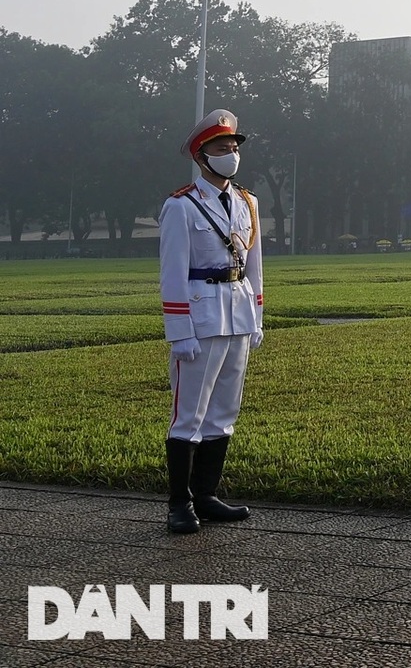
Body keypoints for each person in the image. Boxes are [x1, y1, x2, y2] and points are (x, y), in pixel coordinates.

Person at [159, 110, 264, 535]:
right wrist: (179, 331)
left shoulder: (247, 202)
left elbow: (254, 263)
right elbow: (172, 271)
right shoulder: (181, 205)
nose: (231, 155)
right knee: (189, 416)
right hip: (200, 319)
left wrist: (257, 315)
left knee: (223, 413)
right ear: (202, 157)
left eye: (235, 148)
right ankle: (179, 503)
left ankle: (207, 495)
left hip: (237, 313)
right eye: (222, 149)